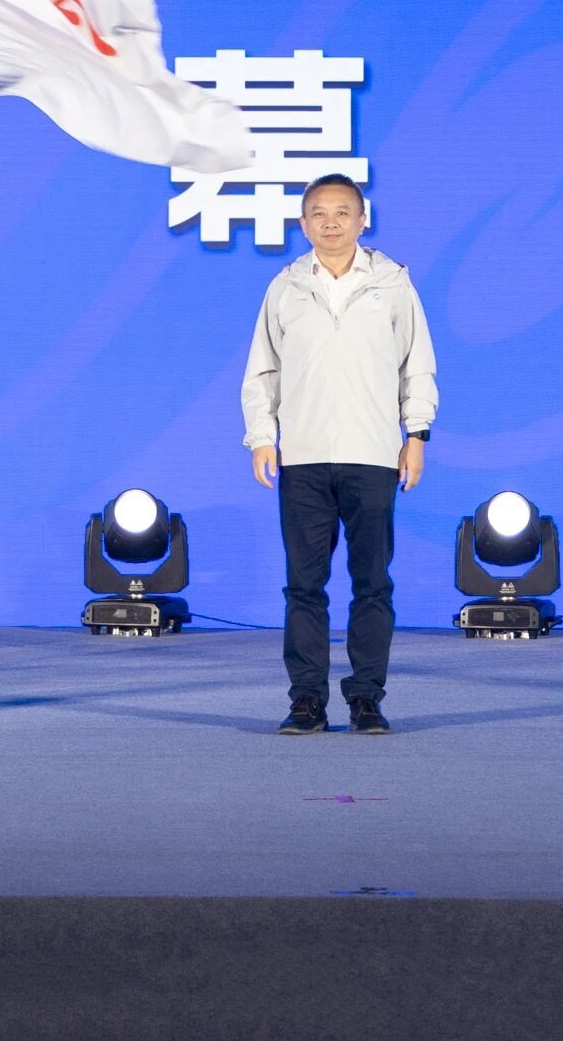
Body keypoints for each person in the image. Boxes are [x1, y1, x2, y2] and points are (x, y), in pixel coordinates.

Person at [243, 174, 438, 736]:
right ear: (303, 223)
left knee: (371, 583)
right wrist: (261, 436)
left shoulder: (392, 284)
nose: (331, 222)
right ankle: (306, 701)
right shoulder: (285, 287)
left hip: (372, 454)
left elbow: (417, 365)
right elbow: (263, 370)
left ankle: (367, 698)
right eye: (319, 213)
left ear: (362, 220)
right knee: (303, 587)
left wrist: (416, 434)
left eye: (342, 212)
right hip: (303, 457)